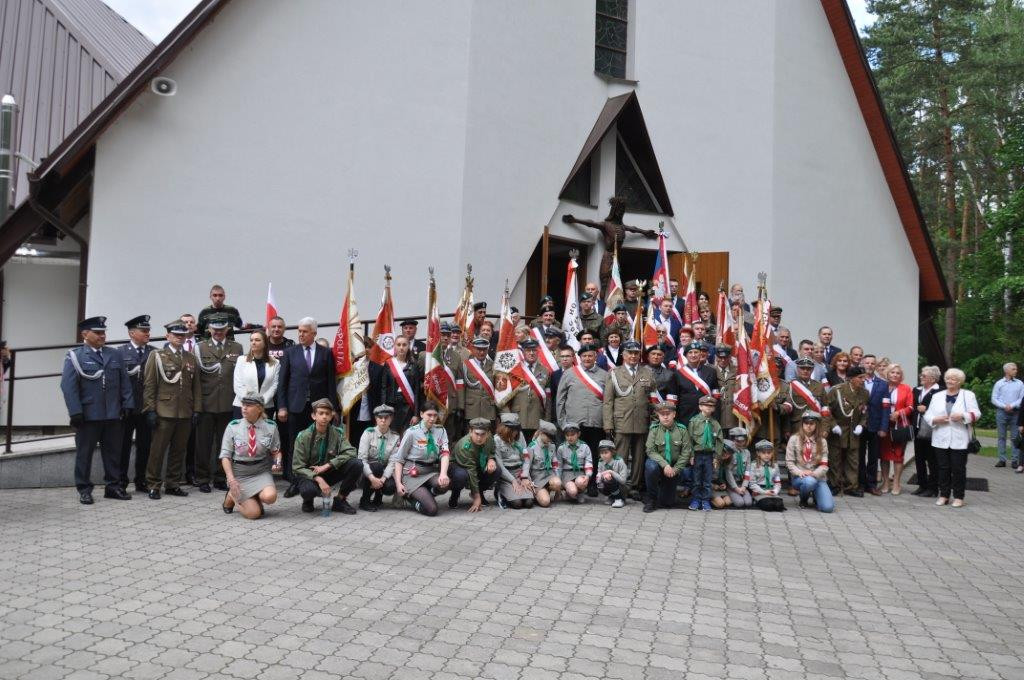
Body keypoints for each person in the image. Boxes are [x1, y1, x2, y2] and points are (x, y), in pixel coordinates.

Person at [60, 316, 134, 504]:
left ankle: (113, 487)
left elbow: (124, 382)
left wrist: (127, 404)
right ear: (85, 334)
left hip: (112, 413)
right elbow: (68, 386)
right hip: (88, 415)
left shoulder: (114, 354)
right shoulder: (76, 355)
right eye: (98, 332)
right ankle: (84, 489)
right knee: (84, 454)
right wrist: (75, 412)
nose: (103, 336)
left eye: (103, 332)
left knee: (113, 453)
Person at [143, 320, 201, 499]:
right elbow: (150, 384)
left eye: (182, 335)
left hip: (184, 411)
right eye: (176, 335)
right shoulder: (158, 355)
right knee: (157, 451)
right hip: (164, 411)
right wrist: (150, 409)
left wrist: (197, 409)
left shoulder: (191, 357)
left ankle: (173, 483)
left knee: (179, 450)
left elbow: (196, 386)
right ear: (167, 336)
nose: (179, 338)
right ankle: (153, 484)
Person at [277, 317, 337, 490]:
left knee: (317, 442)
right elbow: (283, 382)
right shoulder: (290, 352)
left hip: (319, 408)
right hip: (295, 406)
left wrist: (333, 408)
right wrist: (282, 406)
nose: (301, 334)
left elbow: (331, 383)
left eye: (304, 331)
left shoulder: (325, 353)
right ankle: (293, 479)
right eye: (299, 331)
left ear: (314, 333)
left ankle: (317, 477)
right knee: (294, 443)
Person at [194, 314, 243, 494]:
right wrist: (197, 406)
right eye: (215, 329)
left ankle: (221, 477)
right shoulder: (199, 348)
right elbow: (196, 380)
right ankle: (202, 478)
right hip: (206, 403)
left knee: (225, 443)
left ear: (227, 329)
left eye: (222, 329)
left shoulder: (237, 347)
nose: (218, 332)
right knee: (203, 444)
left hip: (228, 403)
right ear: (209, 330)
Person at [555, 343, 608, 496]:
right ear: (579, 357)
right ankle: (572, 483)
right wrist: (562, 422)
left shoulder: (604, 375)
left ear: (595, 357)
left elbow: (608, 400)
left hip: (596, 422)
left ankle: (591, 484)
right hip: (574, 424)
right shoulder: (569, 373)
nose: (587, 358)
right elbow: (560, 400)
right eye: (584, 356)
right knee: (574, 455)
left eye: (590, 355)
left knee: (593, 453)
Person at [292, 398, 361, 514]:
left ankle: (340, 500)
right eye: (321, 413)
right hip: (309, 474)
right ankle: (308, 500)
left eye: (327, 414)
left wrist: (329, 465)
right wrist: (318, 479)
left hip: (328, 471)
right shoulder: (303, 436)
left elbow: (351, 451)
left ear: (331, 416)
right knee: (308, 490)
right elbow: (297, 466)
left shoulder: (338, 433)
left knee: (356, 464)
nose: (324, 417)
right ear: (314, 416)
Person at [924, 368, 981, 508]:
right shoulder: (937, 395)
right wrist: (936, 419)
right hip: (940, 438)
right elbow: (928, 414)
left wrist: (962, 416)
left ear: (960, 381)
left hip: (960, 438)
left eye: (954, 379)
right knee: (942, 468)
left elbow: (976, 413)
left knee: (958, 469)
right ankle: (943, 495)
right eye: (948, 378)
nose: (950, 381)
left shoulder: (968, 395)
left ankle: (958, 496)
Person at [603, 340, 654, 494]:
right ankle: (620, 487)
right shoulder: (614, 372)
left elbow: (652, 398)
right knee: (621, 455)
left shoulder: (647, 372)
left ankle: (635, 486)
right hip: (621, 420)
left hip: (641, 420)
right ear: (623, 355)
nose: (633, 356)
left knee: (639, 456)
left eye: (636, 353)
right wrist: (608, 424)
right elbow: (608, 401)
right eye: (629, 353)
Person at [219, 393, 281, 519]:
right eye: (243, 405)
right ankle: (232, 495)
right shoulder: (233, 426)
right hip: (240, 473)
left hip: (261, 470)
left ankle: (250, 497)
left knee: (270, 497)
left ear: (259, 408)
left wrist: (277, 463)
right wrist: (231, 479)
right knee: (254, 514)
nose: (244, 408)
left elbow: (276, 451)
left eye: (249, 405)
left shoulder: (270, 427)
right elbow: (225, 456)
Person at [392, 404, 452, 516]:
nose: (432, 418)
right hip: (413, 472)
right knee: (431, 510)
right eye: (429, 415)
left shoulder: (441, 430)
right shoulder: (411, 432)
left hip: (430, 471)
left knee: (445, 484)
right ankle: (410, 499)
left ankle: (427, 493)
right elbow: (399, 459)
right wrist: (398, 484)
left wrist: (443, 474)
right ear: (421, 414)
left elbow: (444, 453)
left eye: (435, 415)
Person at [118, 315, 154, 494]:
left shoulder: (154, 352)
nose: (148, 333)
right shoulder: (120, 352)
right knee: (123, 447)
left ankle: (142, 480)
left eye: (148, 330)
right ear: (132, 333)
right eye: (144, 330)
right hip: (127, 408)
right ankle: (121, 482)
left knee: (145, 446)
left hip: (146, 408)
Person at [642, 401, 692, 513]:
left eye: (668, 414)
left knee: (667, 503)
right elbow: (650, 450)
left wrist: (676, 469)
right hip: (659, 465)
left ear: (674, 414)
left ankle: (663, 494)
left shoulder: (682, 430)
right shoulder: (654, 429)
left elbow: (686, 453)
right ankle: (651, 499)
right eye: (662, 414)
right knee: (651, 466)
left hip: (674, 467)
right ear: (658, 415)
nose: (665, 417)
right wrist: (665, 465)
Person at [826, 366, 868, 496]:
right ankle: (834, 485)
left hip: (853, 431)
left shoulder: (864, 393)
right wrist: (833, 425)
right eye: (860, 378)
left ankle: (851, 486)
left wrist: (861, 425)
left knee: (853, 460)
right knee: (835, 459)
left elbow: (864, 412)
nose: (863, 380)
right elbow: (827, 410)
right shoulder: (837, 391)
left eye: (864, 377)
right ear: (850, 378)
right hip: (839, 429)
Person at [785, 412, 834, 512]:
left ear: (816, 425)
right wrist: (800, 472)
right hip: (800, 477)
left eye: (812, 423)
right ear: (802, 424)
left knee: (827, 508)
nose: (808, 426)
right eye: (806, 423)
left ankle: (816, 495)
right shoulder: (794, 439)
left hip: (818, 477)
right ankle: (803, 499)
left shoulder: (822, 441)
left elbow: (824, 465)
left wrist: (813, 474)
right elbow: (789, 462)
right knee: (809, 481)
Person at [355, 404, 400, 512]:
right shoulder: (368, 433)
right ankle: (364, 501)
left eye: (386, 417)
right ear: (376, 418)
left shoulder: (395, 437)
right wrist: (372, 478)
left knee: (390, 487)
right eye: (380, 417)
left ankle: (378, 497)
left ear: (391, 418)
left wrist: (383, 479)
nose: (383, 420)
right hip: (366, 473)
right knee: (376, 467)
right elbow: (362, 459)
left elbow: (393, 462)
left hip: (384, 473)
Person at [503, 338, 549, 442]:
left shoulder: (545, 371)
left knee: (535, 451)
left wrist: (547, 420)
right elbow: (504, 397)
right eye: (528, 350)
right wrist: (508, 417)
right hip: (518, 417)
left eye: (534, 350)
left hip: (537, 417)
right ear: (523, 352)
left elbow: (548, 398)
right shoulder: (514, 370)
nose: (531, 353)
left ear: (538, 352)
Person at [878, 363, 913, 495]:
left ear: (901, 376)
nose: (895, 375)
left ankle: (897, 482)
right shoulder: (882, 386)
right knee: (884, 455)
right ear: (887, 373)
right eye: (892, 372)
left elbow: (910, 407)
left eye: (898, 373)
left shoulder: (906, 388)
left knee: (898, 455)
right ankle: (886, 481)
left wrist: (898, 413)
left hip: (899, 426)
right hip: (884, 426)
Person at [449, 417, 498, 512]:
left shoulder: (489, 438)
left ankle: (479, 491)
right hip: (459, 466)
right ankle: (455, 494)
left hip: (478, 463)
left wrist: (491, 460)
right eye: (477, 434)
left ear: (488, 433)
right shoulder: (465, 446)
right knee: (461, 476)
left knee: (496, 470)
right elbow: (471, 471)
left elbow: (491, 451)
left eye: (483, 434)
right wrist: (477, 498)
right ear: (470, 431)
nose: (479, 438)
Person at [233, 329, 279, 418]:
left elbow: (274, 385)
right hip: (243, 407)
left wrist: (260, 404)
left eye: (257, 340)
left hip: (265, 407)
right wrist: (250, 404)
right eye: (251, 340)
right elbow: (238, 385)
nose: (253, 342)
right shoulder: (241, 360)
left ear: (265, 343)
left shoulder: (275, 362)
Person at [379, 335, 421, 432]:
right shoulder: (389, 364)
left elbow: (416, 391)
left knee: (407, 435)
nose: (401, 347)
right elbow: (384, 389)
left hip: (408, 406)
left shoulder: (414, 364)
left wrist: (416, 414)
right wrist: (383, 410)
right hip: (391, 406)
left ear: (408, 346)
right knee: (392, 435)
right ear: (394, 346)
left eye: (404, 345)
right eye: (398, 345)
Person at [687, 395, 722, 512]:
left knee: (707, 480)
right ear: (700, 407)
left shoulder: (715, 424)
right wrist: (691, 455)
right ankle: (696, 499)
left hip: (709, 456)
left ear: (714, 409)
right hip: (697, 455)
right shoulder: (694, 422)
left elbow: (719, 441)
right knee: (696, 479)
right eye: (706, 405)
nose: (708, 408)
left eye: (711, 406)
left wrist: (716, 457)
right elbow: (689, 439)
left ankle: (705, 500)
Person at [492, 413, 534, 509]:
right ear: (505, 429)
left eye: (516, 429)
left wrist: (524, 477)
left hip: (520, 472)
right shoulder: (496, 440)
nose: (515, 432)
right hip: (506, 475)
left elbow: (526, 458)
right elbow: (500, 466)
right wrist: (513, 480)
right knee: (517, 504)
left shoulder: (520, 436)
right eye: (512, 430)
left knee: (529, 503)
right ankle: (500, 492)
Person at [912, 366, 942, 496]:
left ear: (933, 378)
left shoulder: (940, 391)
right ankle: (922, 485)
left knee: (932, 459)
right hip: (918, 428)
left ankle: (933, 488)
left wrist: (927, 408)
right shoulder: (916, 390)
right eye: (921, 375)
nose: (921, 377)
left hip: (932, 429)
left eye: (924, 376)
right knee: (919, 458)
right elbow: (913, 406)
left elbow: (941, 409)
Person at [860, 355, 887, 495]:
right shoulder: (857, 381)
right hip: (859, 426)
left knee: (873, 457)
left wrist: (883, 427)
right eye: (867, 363)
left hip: (875, 426)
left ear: (875, 366)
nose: (869, 365)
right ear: (862, 364)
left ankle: (871, 484)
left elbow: (886, 407)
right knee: (859, 456)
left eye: (872, 363)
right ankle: (860, 483)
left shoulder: (883, 384)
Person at [675, 341, 720, 425]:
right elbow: (676, 398)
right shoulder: (678, 373)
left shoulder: (711, 371)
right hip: (685, 415)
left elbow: (716, 396)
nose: (693, 355)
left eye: (696, 352)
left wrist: (716, 416)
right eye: (690, 352)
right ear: (686, 355)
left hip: (706, 414)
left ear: (700, 355)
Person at [991, 362, 1023, 468]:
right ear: (1006, 371)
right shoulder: (999, 383)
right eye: (1013, 369)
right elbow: (994, 398)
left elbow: (1022, 398)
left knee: (1015, 437)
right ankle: (1002, 460)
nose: (1016, 370)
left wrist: (1012, 405)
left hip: (1016, 413)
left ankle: (1015, 460)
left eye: (1016, 369)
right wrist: (1004, 406)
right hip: (1001, 412)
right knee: (1001, 437)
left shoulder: (1020, 383)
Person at [525, 420, 561, 507]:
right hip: (537, 477)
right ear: (541, 433)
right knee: (545, 502)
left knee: (558, 483)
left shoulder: (552, 445)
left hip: (549, 474)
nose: (550, 439)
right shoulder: (532, 446)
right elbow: (526, 467)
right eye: (548, 436)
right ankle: (538, 493)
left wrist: (558, 487)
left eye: (551, 437)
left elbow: (555, 464)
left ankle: (546, 490)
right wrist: (530, 482)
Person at [463, 337, 496, 425]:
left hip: (489, 409)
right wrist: (460, 407)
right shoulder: (466, 365)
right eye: (478, 349)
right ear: (473, 349)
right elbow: (462, 388)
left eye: (484, 349)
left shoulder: (493, 366)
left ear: (488, 350)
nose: (481, 352)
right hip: (471, 409)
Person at [557, 422, 592, 503]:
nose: (570, 438)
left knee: (581, 482)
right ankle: (570, 493)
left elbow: (588, 462)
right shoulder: (561, 448)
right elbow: (559, 466)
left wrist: (587, 476)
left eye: (572, 435)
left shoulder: (585, 447)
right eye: (567, 435)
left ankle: (580, 493)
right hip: (567, 474)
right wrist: (559, 481)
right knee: (572, 491)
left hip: (580, 472)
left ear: (578, 434)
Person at [748, 440, 786, 511]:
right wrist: (764, 492)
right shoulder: (753, 466)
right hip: (759, 491)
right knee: (768, 506)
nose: (767, 455)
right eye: (764, 453)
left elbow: (777, 482)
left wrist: (775, 491)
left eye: (769, 453)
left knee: (779, 506)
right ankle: (756, 501)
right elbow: (752, 484)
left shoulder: (775, 466)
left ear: (772, 453)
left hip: (771, 491)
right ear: (758, 453)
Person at [723, 427, 753, 508]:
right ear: (732, 440)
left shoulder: (747, 453)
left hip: (742, 483)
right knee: (740, 503)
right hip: (732, 485)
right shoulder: (729, 453)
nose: (740, 443)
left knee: (748, 503)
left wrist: (744, 486)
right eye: (737, 441)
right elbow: (728, 472)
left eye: (743, 441)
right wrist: (735, 488)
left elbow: (747, 471)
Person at [595, 440, 628, 507]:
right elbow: (599, 473)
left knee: (608, 477)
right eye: (601, 453)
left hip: (622, 487)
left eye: (606, 452)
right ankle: (612, 497)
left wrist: (611, 472)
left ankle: (619, 499)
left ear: (612, 452)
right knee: (602, 483)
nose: (603, 455)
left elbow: (623, 481)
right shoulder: (601, 462)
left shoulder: (619, 461)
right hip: (609, 484)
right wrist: (599, 479)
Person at [714, 344, 737, 430]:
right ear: (716, 357)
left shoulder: (737, 371)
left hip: (734, 414)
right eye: (720, 357)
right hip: (717, 413)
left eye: (725, 357)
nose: (723, 360)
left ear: (730, 357)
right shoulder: (711, 371)